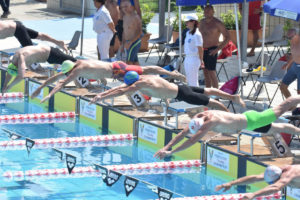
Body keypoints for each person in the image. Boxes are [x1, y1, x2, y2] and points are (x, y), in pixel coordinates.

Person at [154, 95, 300, 159]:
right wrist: (167, 147)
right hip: (248, 121)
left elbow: (191, 141)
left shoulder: (208, 123)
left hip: (254, 121)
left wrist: (171, 152)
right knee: (279, 127)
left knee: (283, 106)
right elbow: (183, 133)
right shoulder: (199, 117)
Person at [35, 60, 186, 102]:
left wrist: (50, 94)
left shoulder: (77, 70)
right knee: (147, 71)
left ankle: (172, 74)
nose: (67, 75)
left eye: (67, 73)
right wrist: (41, 87)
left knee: (145, 73)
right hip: (114, 68)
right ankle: (169, 77)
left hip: (118, 71)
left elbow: (61, 82)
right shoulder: (77, 63)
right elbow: (57, 77)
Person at [90, 73, 245, 111]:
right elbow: (120, 88)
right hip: (179, 86)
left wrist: (101, 97)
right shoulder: (144, 77)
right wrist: (101, 95)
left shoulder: (137, 85)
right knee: (209, 90)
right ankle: (233, 96)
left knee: (211, 102)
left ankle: (228, 116)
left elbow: (120, 92)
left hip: (182, 94)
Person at [2, 45, 77, 93]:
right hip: (49, 55)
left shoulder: (22, 58)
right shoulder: (14, 59)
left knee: (77, 63)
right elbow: (9, 72)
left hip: (52, 54)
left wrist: (9, 86)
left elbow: (21, 76)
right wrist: (5, 85)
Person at [215, 165, 300, 200]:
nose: (270, 185)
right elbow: (255, 178)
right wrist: (231, 183)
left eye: (271, 183)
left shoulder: (288, 175)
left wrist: (254, 194)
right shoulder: (277, 171)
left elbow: (276, 188)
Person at [199, 5, 230, 88]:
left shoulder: (217, 23)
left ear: (213, 12)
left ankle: (217, 95)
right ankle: (208, 93)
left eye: (209, 11)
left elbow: (227, 37)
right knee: (205, 73)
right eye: (205, 11)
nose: (207, 12)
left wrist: (217, 49)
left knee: (212, 73)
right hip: (202, 50)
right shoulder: (201, 22)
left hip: (212, 50)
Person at [0, 21, 68, 51]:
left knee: (31, 51)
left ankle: (41, 69)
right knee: (39, 36)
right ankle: (58, 42)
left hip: (17, 30)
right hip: (15, 26)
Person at [280, 28, 300, 101]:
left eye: (291, 37)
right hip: (295, 66)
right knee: (282, 87)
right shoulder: (292, 42)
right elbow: (293, 55)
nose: (289, 39)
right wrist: (288, 64)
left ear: (297, 35)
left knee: (299, 92)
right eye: (288, 37)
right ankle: (292, 106)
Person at [184, 14, 203, 87]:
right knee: (189, 80)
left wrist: (201, 60)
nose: (186, 23)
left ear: (193, 22)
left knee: (193, 81)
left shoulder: (197, 34)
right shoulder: (188, 33)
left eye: (188, 22)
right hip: (187, 57)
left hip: (194, 58)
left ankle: (196, 96)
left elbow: (200, 48)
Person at [120, 0, 142, 65]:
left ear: (131, 6)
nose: (124, 9)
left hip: (134, 42)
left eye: (126, 6)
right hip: (128, 42)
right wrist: (122, 44)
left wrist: (131, 42)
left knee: (129, 61)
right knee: (135, 61)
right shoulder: (125, 17)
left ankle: (129, 75)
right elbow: (124, 32)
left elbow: (139, 32)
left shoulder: (135, 17)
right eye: (123, 7)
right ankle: (140, 74)